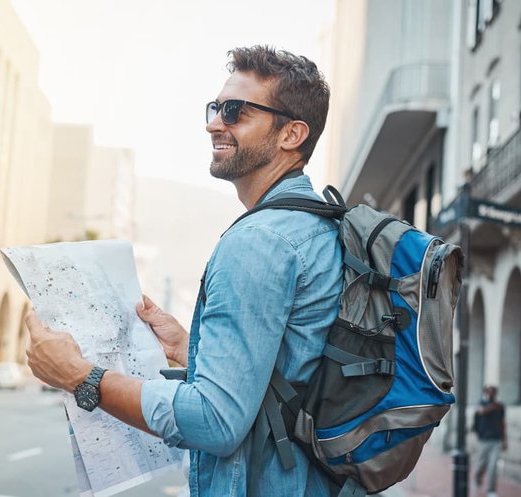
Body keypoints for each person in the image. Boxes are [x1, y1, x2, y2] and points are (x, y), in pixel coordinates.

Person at [25, 45, 342, 496]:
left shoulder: (260, 241)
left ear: (291, 134)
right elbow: (292, 377)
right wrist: (192, 349)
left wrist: (81, 376)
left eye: (235, 112)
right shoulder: (315, 224)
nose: (214, 123)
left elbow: (214, 422)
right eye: (215, 108)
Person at [473, 385, 507, 496]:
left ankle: (491, 490)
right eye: (489, 391)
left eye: (493, 392)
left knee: (493, 467)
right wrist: (493, 406)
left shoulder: (500, 407)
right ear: (485, 392)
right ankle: (477, 481)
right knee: (480, 466)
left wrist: (504, 440)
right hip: (483, 441)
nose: (491, 394)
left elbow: (502, 424)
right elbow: (481, 411)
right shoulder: (481, 404)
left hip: (496, 441)